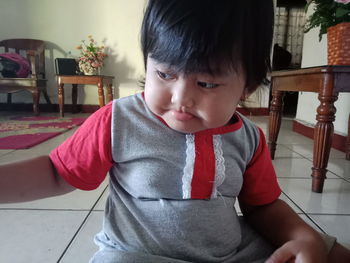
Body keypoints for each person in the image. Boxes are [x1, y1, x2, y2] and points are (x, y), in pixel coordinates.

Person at [1, 0, 350, 262]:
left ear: (248, 86)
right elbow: (57, 173)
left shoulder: (248, 138)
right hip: (137, 254)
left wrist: (303, 235)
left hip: (228, 252)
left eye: (207, 82)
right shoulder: (119, 120)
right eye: (165, 74)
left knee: (329, 252)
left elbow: (262, 207)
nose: (180, 98)